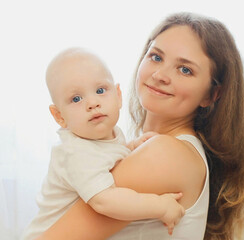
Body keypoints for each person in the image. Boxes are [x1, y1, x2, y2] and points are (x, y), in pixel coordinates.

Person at [35, 12, 244, 240]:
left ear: (211, 94)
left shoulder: (164, 154)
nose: (160, 75)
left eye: (185, 69)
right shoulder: (150, 147)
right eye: (156, 57)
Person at [21, 48, 186, 240]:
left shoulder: (108, 134)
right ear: (59, 116)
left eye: (100, 90)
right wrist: (159, 205)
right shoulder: (75, 153)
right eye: (76, 99)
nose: (92, 103)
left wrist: (131, 148)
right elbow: (105, 202)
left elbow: (108, 158)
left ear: (118, 95)